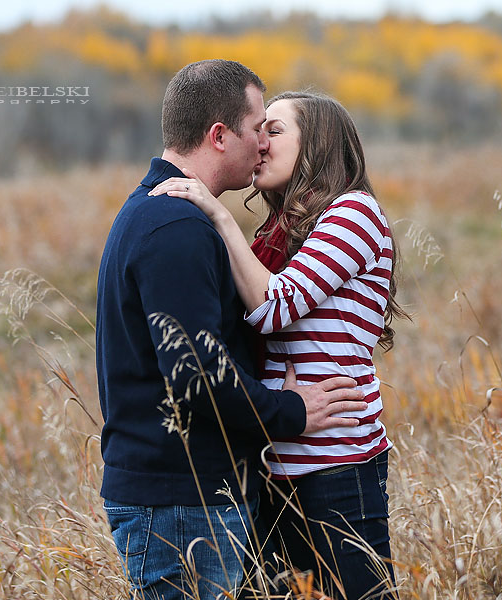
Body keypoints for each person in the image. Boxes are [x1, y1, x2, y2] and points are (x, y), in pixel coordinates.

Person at [95, 62, 368, 600]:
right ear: (220, 136)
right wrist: (291, 411)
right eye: (257, 127)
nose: (263, 143)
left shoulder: (161, 214)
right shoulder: (175, 226)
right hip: (182, 501)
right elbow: (199, 376)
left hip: (185, 495)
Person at [149, 91, 405, 600]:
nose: (261, 143)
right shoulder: (282, 231)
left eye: (275, 130)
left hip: (335, 465)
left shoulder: (354, 212)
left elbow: (274, 306)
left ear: (318, 144)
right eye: (259, 129)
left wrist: (218, 216)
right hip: (278, 464)